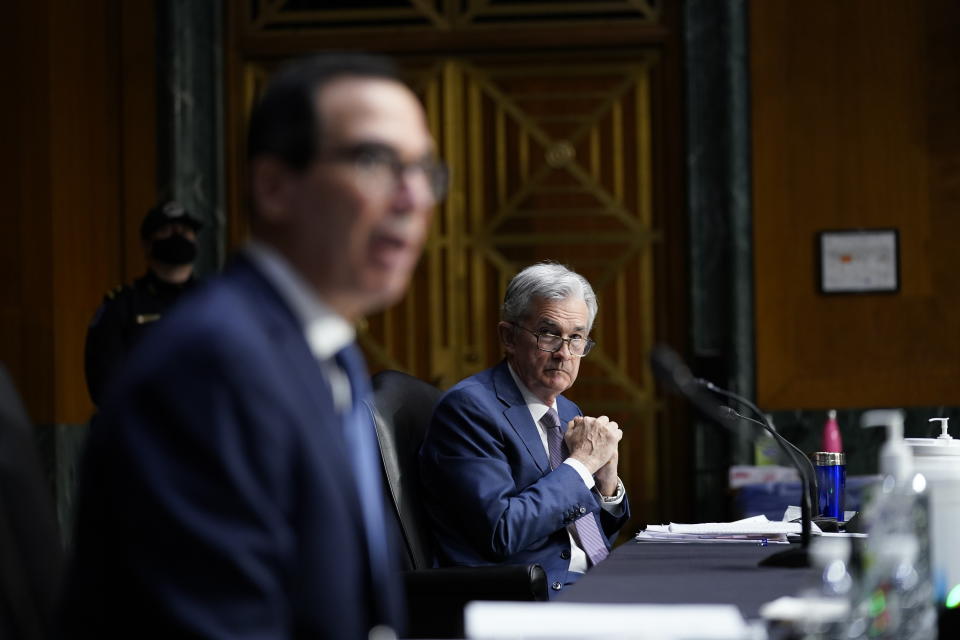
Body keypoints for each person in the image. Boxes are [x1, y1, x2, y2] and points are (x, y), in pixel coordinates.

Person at [60, 53, 445, 639]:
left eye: (424, 171)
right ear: (273, 186)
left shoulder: (325, 347)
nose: (414, 198)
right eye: (375, 161)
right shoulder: (209, 366)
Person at [419, 262, 629, 597]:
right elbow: (500, 532)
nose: (563, 353)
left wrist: (606, 487)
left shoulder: (568, 411)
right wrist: (582, 465)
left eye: (576, 338)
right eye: (548, 334)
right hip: (523, 596)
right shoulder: (470, 409)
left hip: (590, 583)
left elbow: (588, 539)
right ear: (508, 336)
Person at [83, 200, 203, 406]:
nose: (178, 235)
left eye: (185, 230)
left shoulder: (217, 302)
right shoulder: (121, 307)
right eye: (167, 230)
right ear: (147, 244)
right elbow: (105, 386)